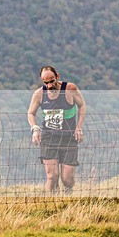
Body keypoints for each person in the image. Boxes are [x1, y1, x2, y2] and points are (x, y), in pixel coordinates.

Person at [27, 65, 86, 194]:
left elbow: (82, 106)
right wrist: (35, 129)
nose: (49, 85)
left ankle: (68, 199)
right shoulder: (39, 94)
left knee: (67, 179)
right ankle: (51, 201)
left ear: (57, 77)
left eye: (52, 81)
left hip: (69, 138)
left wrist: (78, 127)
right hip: (49, 138)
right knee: (52, 176)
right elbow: (30, 113)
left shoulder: (70, 88)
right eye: (45, 82)